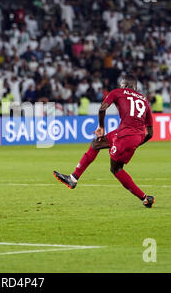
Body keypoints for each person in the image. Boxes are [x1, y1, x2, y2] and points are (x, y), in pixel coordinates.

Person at [53, 74, 155, 208]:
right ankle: (73, 177)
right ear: (135, 87)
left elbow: (102, 108)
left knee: (116, 169)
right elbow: (150, 133)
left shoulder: (117, 92)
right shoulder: (145, 100)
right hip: (135, 136)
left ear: (123, 85)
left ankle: (144, 198)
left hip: (124, 135)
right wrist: (136, 143)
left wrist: (101, 126)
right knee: (97, 143)